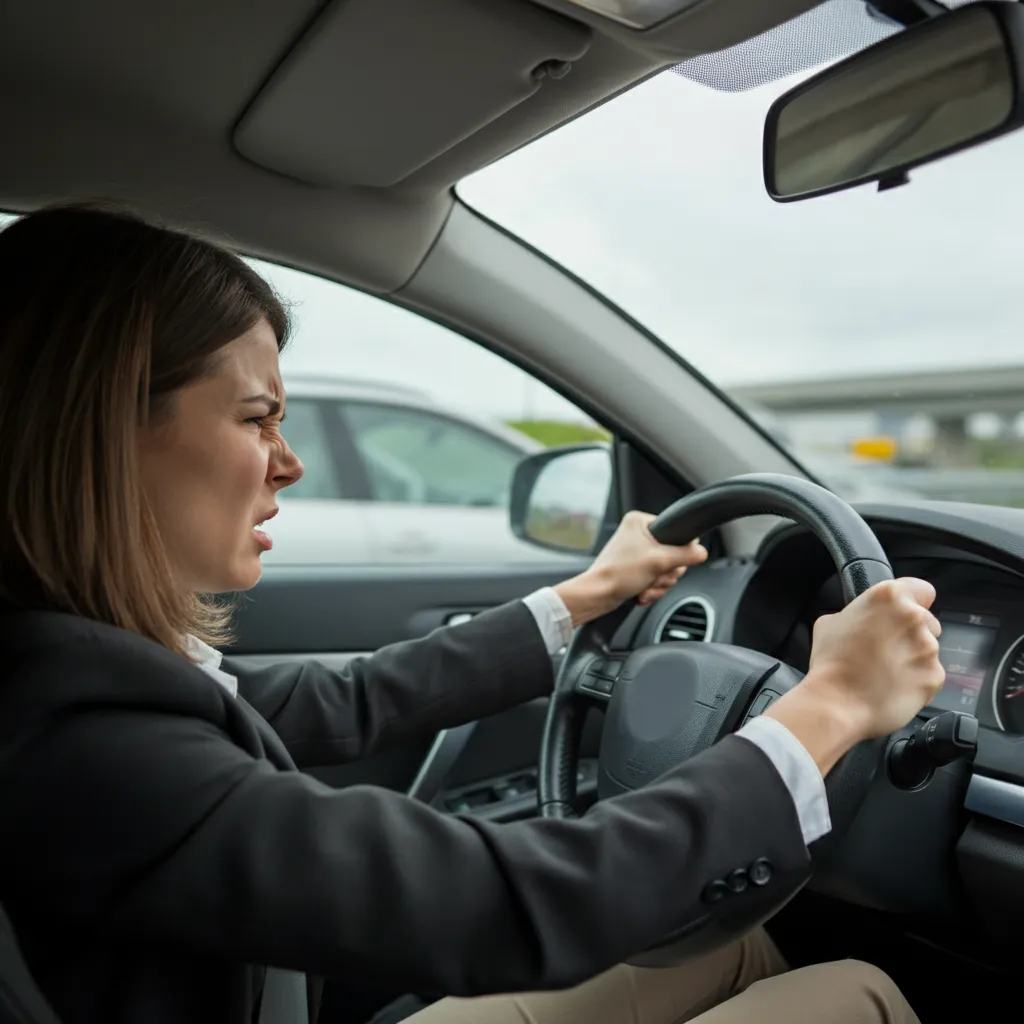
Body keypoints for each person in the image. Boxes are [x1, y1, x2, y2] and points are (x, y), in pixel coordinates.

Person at [0, 203, 942, 1024]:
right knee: (856, 991)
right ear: (102, 429)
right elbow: (511, 904)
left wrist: (584, 599)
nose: (289, 463)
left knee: (721, 951)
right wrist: (831, 709)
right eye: (256, 420)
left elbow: (347, 701)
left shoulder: (83, 674)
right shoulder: (78, 735)